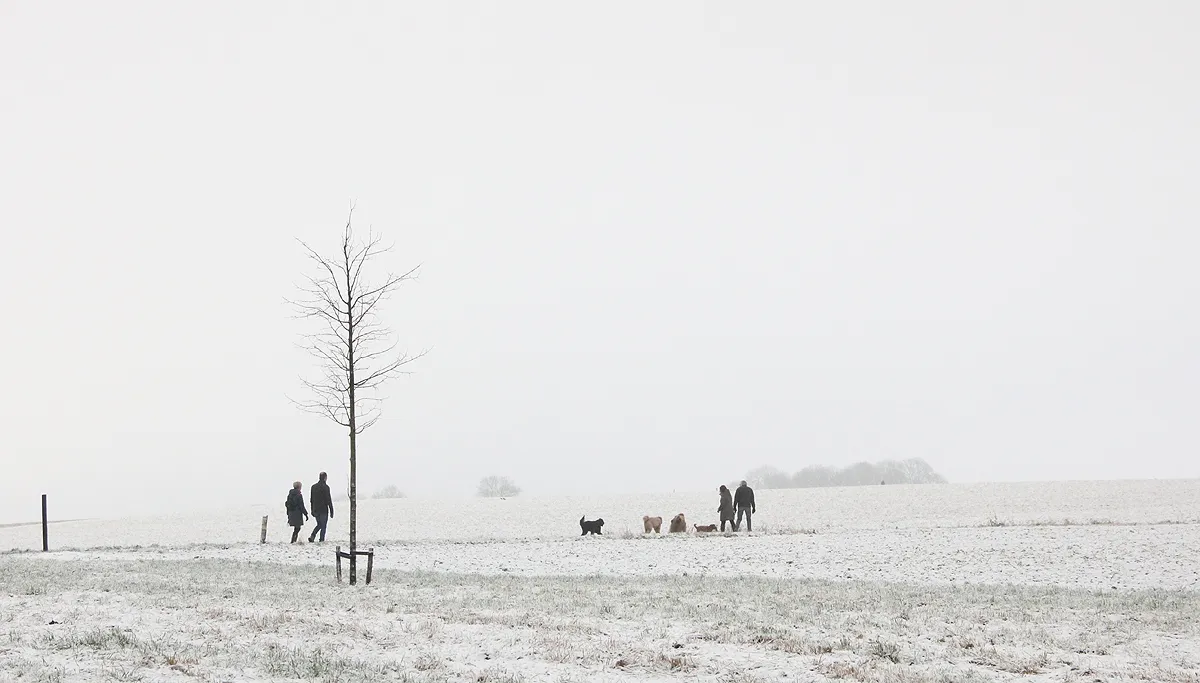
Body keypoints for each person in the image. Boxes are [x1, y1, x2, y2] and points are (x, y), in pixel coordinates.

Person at [308, 472, 334, 543]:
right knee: (323, 525)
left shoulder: (313, 487)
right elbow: (328, 499)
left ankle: (312, 536)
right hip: (323, 510)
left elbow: (311, 500)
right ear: (325, 478)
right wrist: (331, 510)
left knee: (319, 524)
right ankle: (321, 539)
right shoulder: (326, 487)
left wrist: (312, 509)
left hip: (316, 509)